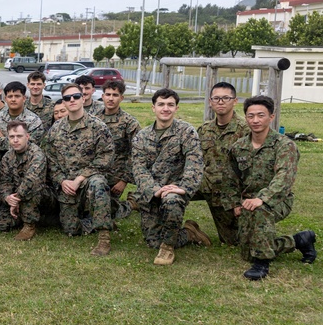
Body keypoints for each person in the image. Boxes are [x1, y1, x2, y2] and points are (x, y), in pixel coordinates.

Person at [222, 96, 316, 280]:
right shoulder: (238, 147)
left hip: (278, 200)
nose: (255, 120)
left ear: (271, 117)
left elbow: (284, 178)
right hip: (247, 202)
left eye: (261, 115)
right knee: (247, 252)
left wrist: (262, 198)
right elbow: (230, 179)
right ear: (246, 118)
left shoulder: (284, 146)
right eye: (251, 116)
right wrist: (235, 203)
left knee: (260, 211)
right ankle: (299, 240)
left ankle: (262, 263)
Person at [131, 88, 211, 266]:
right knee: (152, 242)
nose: (165, 108)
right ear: (153, 108)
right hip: (152, 193)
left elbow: (194, 162)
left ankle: (168, 248)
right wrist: (155, 190)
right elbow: (139, 169)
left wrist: (183, 188)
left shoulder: (186, 132)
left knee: (172, 200)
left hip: (176, 189)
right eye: (161, 104)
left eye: (170, 105)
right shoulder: (142, 137)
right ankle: (189, 233)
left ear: (176, 108)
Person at [43, 83, 114, 256]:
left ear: (83, 98)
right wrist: (62, 180)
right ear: (64, 103)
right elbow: (50, 161)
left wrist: (80, 178)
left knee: (98, 184)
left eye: (76, 96)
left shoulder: (98, 127)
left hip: (88, 181)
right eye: (67, 98)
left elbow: (106, 156)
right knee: (71, 230)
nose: (72, 100)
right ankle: (108, 212)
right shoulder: (55, 130)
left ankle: (104, 238)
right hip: (67, 185)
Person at [195, 82, 249, 246]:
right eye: (216, 98)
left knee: (233, 241)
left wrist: (242, 199)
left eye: (226, 98)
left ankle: (193, 231)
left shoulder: (246, 130)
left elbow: (252, 170)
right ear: (210, 102)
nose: (220, 102)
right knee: (170, 196)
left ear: (235, 101)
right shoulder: (204, 129)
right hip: (204, 185)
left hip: (228, 193)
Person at [0, 121, 48, 240]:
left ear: (27, 136)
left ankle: (29, 224)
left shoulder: (36, 154)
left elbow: (31, 181)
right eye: (11, 137)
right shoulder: (8, 156)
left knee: (31, 188)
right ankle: (28, 217)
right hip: (16, 198)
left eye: (19, 136)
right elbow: (3, 182)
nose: (15, 140)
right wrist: (8, 198)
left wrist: (17, 199)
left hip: (40, 196)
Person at [98, 80, 141, 220]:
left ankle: (131, 203)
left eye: (115, 95)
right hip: (95, 172)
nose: (111, 98)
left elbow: (136, 154)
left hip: (115, 178)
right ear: (102, 96)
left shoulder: (129, 123)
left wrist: (124, 181)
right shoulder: (93, 119)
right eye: (108, 94)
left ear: (121, 98)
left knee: (107, 213)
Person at [0, 81, 44, 159]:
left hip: (24, 163)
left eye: (17, 96)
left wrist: (3, 139)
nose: (13, 99)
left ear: (24, 98)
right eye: (10, 96)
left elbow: (30, 147)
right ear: (5, 99)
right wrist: (19, 142)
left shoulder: (34, 121)